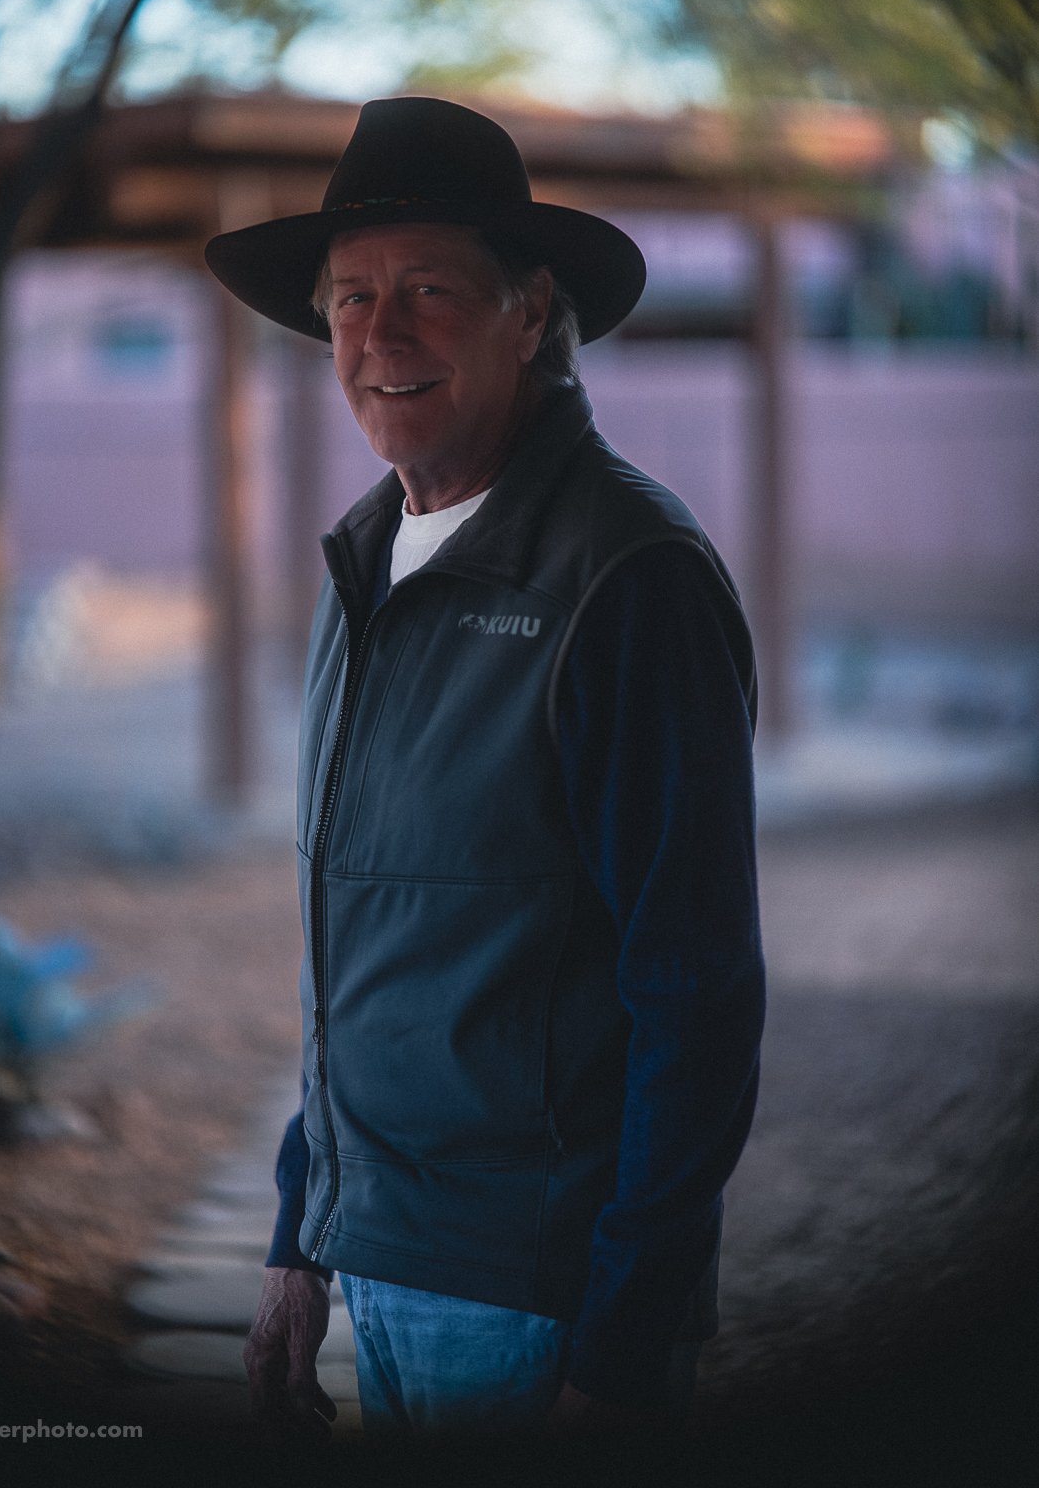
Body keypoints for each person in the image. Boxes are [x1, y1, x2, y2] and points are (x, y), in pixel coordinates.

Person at [204, 96, 765, 1440]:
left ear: (529, 313)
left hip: (531, 1296)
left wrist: (619, 1345)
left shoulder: (627, 580)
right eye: (348, 299)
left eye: (426, 291)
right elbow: (365, 950)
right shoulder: (365, 558)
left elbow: (694, 997)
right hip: (382, 1257)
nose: (378, 336)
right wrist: (297, 1238)